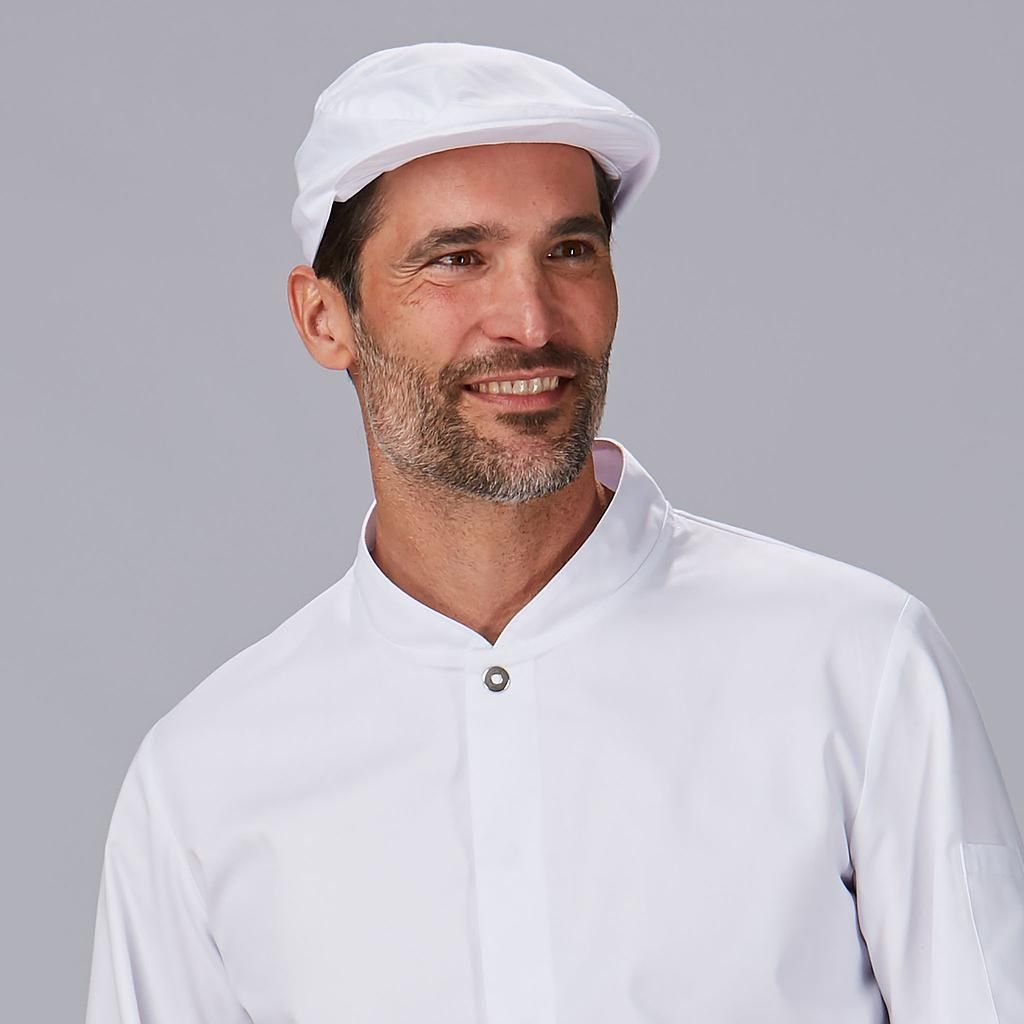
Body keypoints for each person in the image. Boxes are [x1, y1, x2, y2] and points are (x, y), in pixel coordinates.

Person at [84, 41, 1024, 1024]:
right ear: (326, 319)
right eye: (457, 259)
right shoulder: (202, 781)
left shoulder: (856, 668)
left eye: (570, 251)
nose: (530, 321)